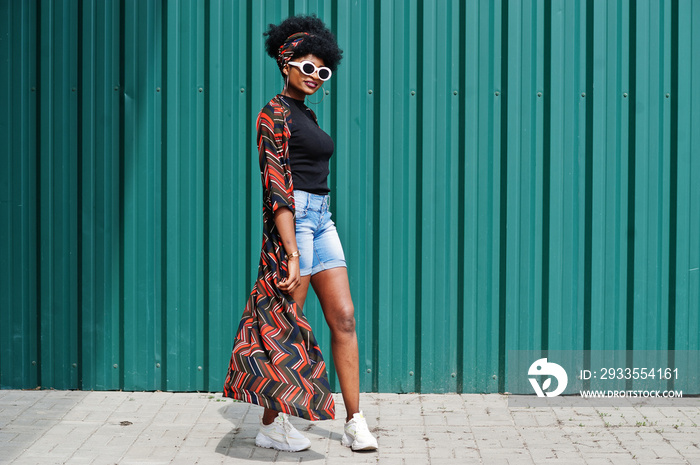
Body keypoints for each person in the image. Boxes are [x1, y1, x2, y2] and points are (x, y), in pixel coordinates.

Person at [223, 15, 378, 453]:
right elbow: (275, 186)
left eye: (322, 70)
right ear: (285, 62)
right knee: (287, 325)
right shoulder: (272, 113)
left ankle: (355, 421)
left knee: (344, 318)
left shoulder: (305, 113)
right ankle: (272, 425)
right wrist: (290, 251)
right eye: (306, 67)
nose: (315, 76)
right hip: (293, 223)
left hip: (322, 218)